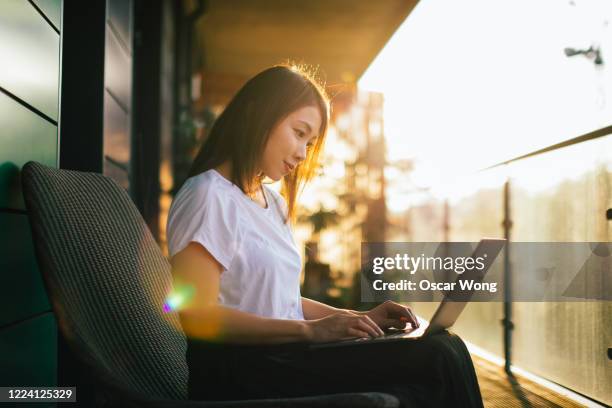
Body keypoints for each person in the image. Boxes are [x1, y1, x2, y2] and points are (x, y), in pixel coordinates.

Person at [165, 64, 484, 408]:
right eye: (299, 133)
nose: (303, 153)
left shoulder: (270, 202)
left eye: (311, 141)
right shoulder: (208, 196)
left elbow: (281, 302)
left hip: (287, 357)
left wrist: (355, 319)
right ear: (259, 115)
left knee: (445, 346)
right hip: (246, 372)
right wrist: (310, 331)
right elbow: (198, 317)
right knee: (435, 357)